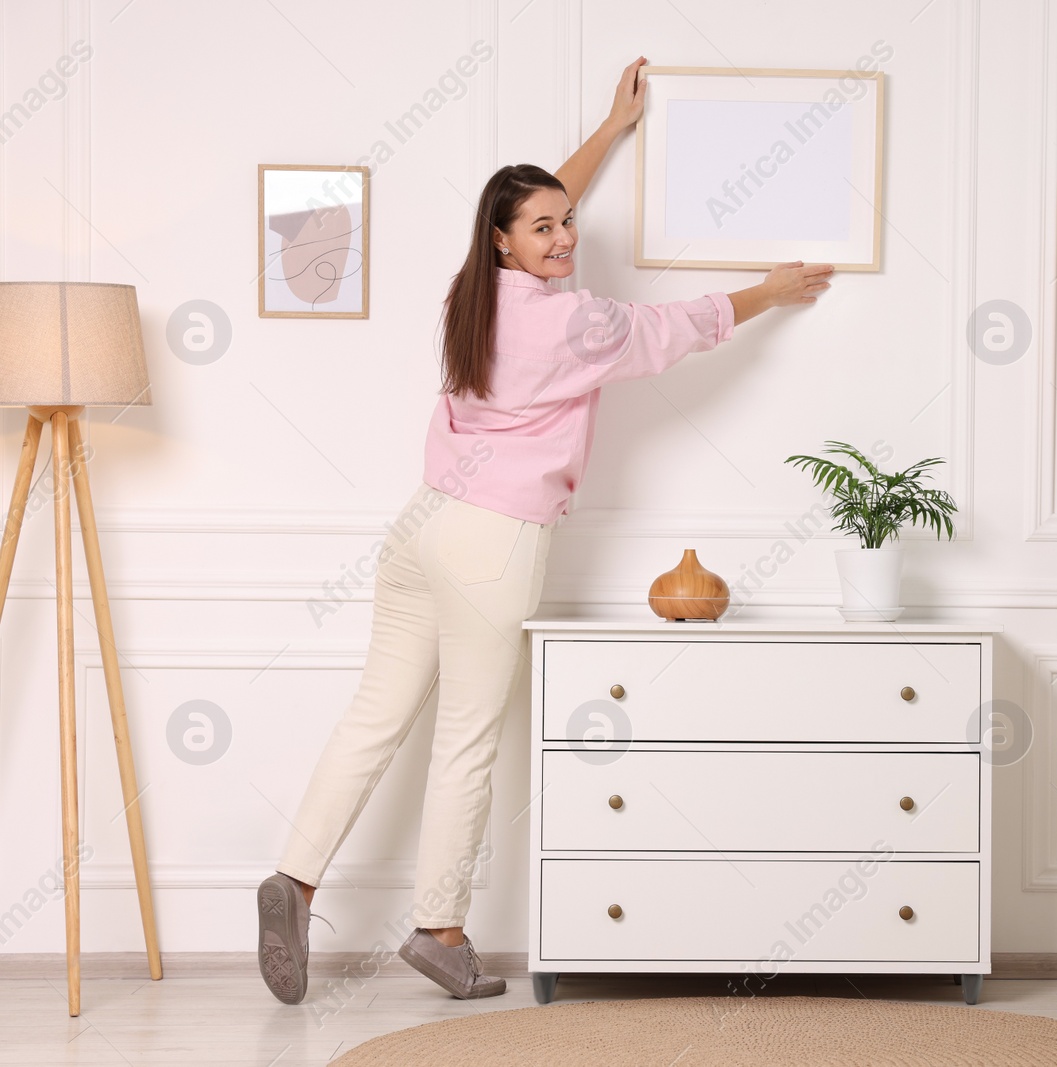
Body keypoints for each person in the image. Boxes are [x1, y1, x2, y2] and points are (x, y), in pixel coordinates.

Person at [254, 56, 834, 1004]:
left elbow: (533, 205)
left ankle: (294, 875)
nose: (564, 237)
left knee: (373, 715)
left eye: (568, 221)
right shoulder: (575, 324)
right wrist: (768, 291)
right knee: (467, 737)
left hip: (420, 527)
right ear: (505, 241)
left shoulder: (470, 293)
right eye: (545, 228)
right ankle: (441, 929)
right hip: (495, 537)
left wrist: (611, 129)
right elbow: (673, 326)